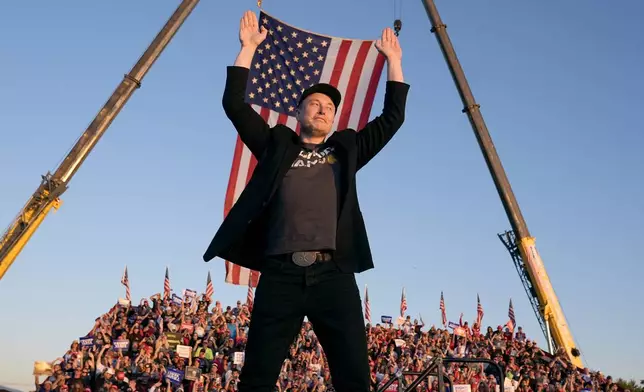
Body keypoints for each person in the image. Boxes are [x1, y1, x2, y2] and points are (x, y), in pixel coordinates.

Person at [202, 9, 409, 392]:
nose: (323, 109)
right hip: (280, 275)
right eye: (314, 104)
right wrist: (247, 49)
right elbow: (235, 105)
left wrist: (394, 61)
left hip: (334, 276)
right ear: (298, 113)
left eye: (329, 107)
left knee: (354, 378)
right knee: (257, 377)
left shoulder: (347, 149)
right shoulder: (277, 145)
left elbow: (392, 117)